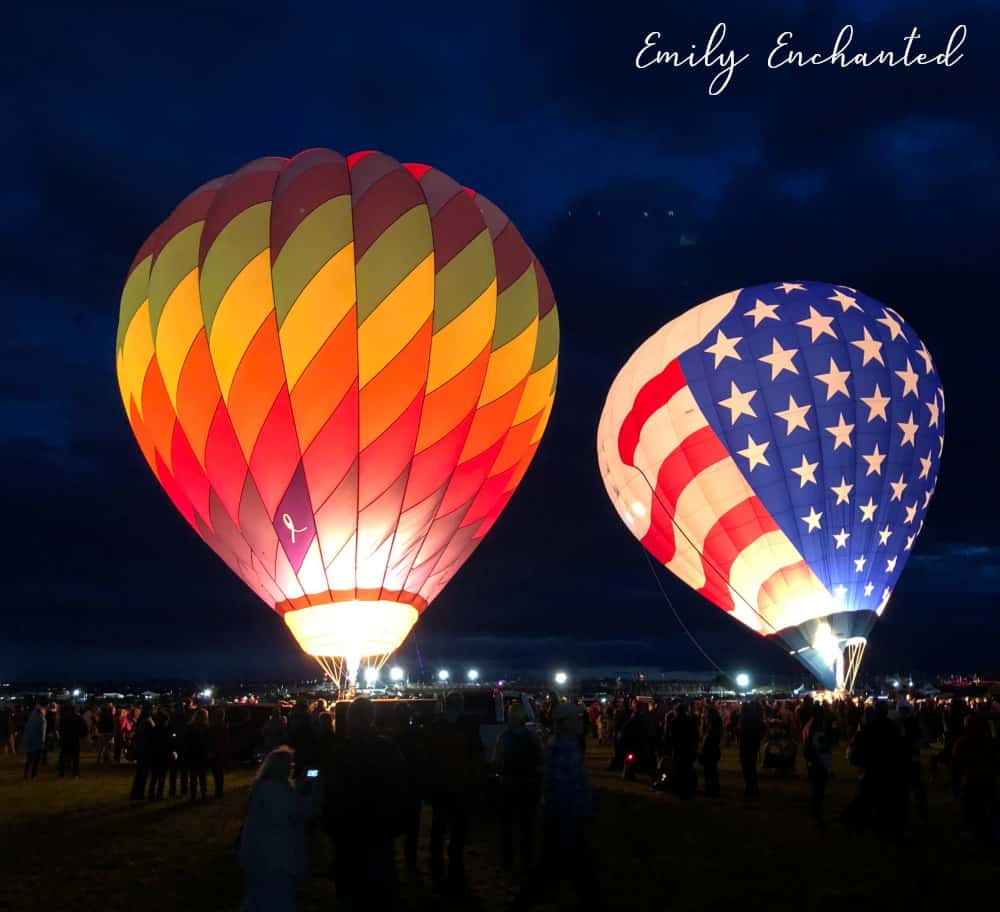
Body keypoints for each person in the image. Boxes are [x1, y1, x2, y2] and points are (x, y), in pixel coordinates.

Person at [511, 702, 603, 911]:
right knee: (576, 872)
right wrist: (578, 815)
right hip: (566, 821)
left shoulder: (560, 744)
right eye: (576, 719)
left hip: (561, 819)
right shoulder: (565, 749)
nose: (580, 722)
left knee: (553, 871)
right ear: (567, 723)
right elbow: (565, 789)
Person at [326, 698, 406, 910]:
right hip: (379, 829)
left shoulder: (339, 751)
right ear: (372, 718)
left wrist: (330, 825)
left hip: (348, 831)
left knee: (350, 890)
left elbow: (330, 792)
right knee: (380, 888)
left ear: (350, 719)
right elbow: (399, 787)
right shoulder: (387, 748)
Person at [238, 746, 315, 912]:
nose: (291, 768)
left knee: (256, 897)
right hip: (276, 856)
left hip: (258, 854)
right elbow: (298, 812)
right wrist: (311, 793)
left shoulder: (262, 788)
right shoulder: (277, 791)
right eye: (289, 765)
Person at [426, 691, 484, 892]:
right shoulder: (469, 727)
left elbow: (428, 758)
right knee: (458, 831)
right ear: (460, 705)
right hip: (460, 787)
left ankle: (436, 868)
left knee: (438, 828)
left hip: (440, 787)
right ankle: (455, 871)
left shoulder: (435, 726)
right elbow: (477, 757)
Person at [494, 702, 542, 871]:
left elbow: (497, 761)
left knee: (506, 825)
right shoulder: (532, 736)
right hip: (528, 784)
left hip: (508, 784)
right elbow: (540, 759)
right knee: (526, 825)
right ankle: (527, 859)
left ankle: (507, 860)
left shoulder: (504, 737)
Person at [951, 713, 998, 842]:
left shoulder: (963, 742)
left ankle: (975, 831)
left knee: (972, 806)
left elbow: (956, 761)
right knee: (986, 805)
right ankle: (987, 831)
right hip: (986, 777)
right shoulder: (989, 741)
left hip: (973, 778)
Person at [802, 703, 833, 829]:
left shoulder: (811, 726)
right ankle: (816, 813)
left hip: (817, 762)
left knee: (817, 788)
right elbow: (818, 746)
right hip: (819, 762)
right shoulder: (815, 728)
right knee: (818, 789)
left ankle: (815, 811)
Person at [738, 698, 764, 798]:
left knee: (748, 768)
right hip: (752, 745)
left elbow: (744, 734)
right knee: (751, 767)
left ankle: (750, 789)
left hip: (747, 746)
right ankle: (753, 788)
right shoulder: (754, 718)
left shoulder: (746, 720)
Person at [129, 705, 155, 800]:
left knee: (140, 774)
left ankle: (136, 793)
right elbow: (152, 736)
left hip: (140, 749)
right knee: (143, 774)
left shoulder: (141, 721)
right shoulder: (148, 722)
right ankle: (139, 793)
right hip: (146, 750)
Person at [185, 708, 210, 800]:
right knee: (197, 775)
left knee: (198, 775)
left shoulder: (203, 727)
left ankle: (198, 794)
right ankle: (196, 794)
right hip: (196, 753)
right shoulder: (197, 727)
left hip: (198, 754)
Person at [699, 701, 723, 798]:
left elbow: (708, 740)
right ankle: (713, 788)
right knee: (712, 770)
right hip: (713, 750)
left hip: (710, 750)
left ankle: (711, 789)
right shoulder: (716, 729)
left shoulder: (712, 732)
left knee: (710, 770)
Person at [58, 703, 87, 778]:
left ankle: (61, 772)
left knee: (63, 756)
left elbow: (60, 728)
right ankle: (75, 773)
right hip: (75, 739)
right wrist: (81, 735)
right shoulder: (78, 718)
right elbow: (84, 729)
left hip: (65, 739)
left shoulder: (64, 718)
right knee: (75, 757)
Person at [208, 709, 231, 798]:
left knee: (217, 772)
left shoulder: (216, 727)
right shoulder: (224, 727)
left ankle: (218, 791)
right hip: (220, 752)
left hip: (216, 752)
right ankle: (219, 791)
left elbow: (212, 740)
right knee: (219, 773)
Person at [22, 704, 47, 780]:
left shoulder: (31, 718)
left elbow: (26, 729)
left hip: (29, 741)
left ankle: (26, 774)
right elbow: (42, 732)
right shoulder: (42, 719)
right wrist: (42, 742)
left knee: (29, 759)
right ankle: (34, 775)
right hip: (37, 742)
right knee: (36, 760)